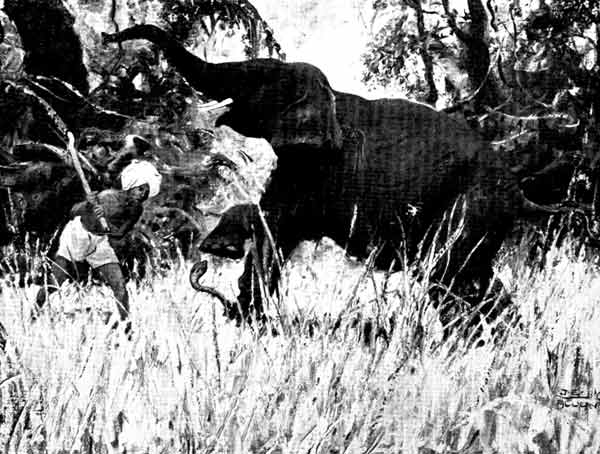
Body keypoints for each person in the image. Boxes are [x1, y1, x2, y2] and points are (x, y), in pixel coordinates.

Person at [35, 160, 162, 327]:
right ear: (131, 184)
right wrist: (89, 205)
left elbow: (119, 233)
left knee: (119, 286)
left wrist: (108, 225)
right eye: (140, 189)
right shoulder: (106, 196)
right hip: (77, 235)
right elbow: (74, 212)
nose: (142, 194)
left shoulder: (136, 210)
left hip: (99, 242)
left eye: (146, 191)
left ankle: (126, 325)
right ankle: (34, 312)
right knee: (56, 281)